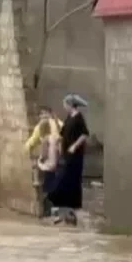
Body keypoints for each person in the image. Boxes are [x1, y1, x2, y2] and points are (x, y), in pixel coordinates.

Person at [47, 94, 89, 226]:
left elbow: (84, 134)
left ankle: (69, 212)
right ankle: (65, 213)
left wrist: (74, 146)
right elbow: (63, 133)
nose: (64, 107)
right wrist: (58, 143)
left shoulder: (79, 118)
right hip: (66, 154)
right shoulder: (69, 117)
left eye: (65, 104)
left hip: (75, 156)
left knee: (68, 181)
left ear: (70, 105)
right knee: (64, 181)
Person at [24, 106, 62, 218]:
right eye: (41, 114)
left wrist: (40, 159)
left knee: (49, 186)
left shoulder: (56, 126)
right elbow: (33, 140)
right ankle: (53, 211)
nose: (43, 116)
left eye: (45, 114)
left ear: (50, 114)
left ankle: (50, 211)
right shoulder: (46, 126)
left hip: (53, 162)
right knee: (52, 185)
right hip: (56, 161)